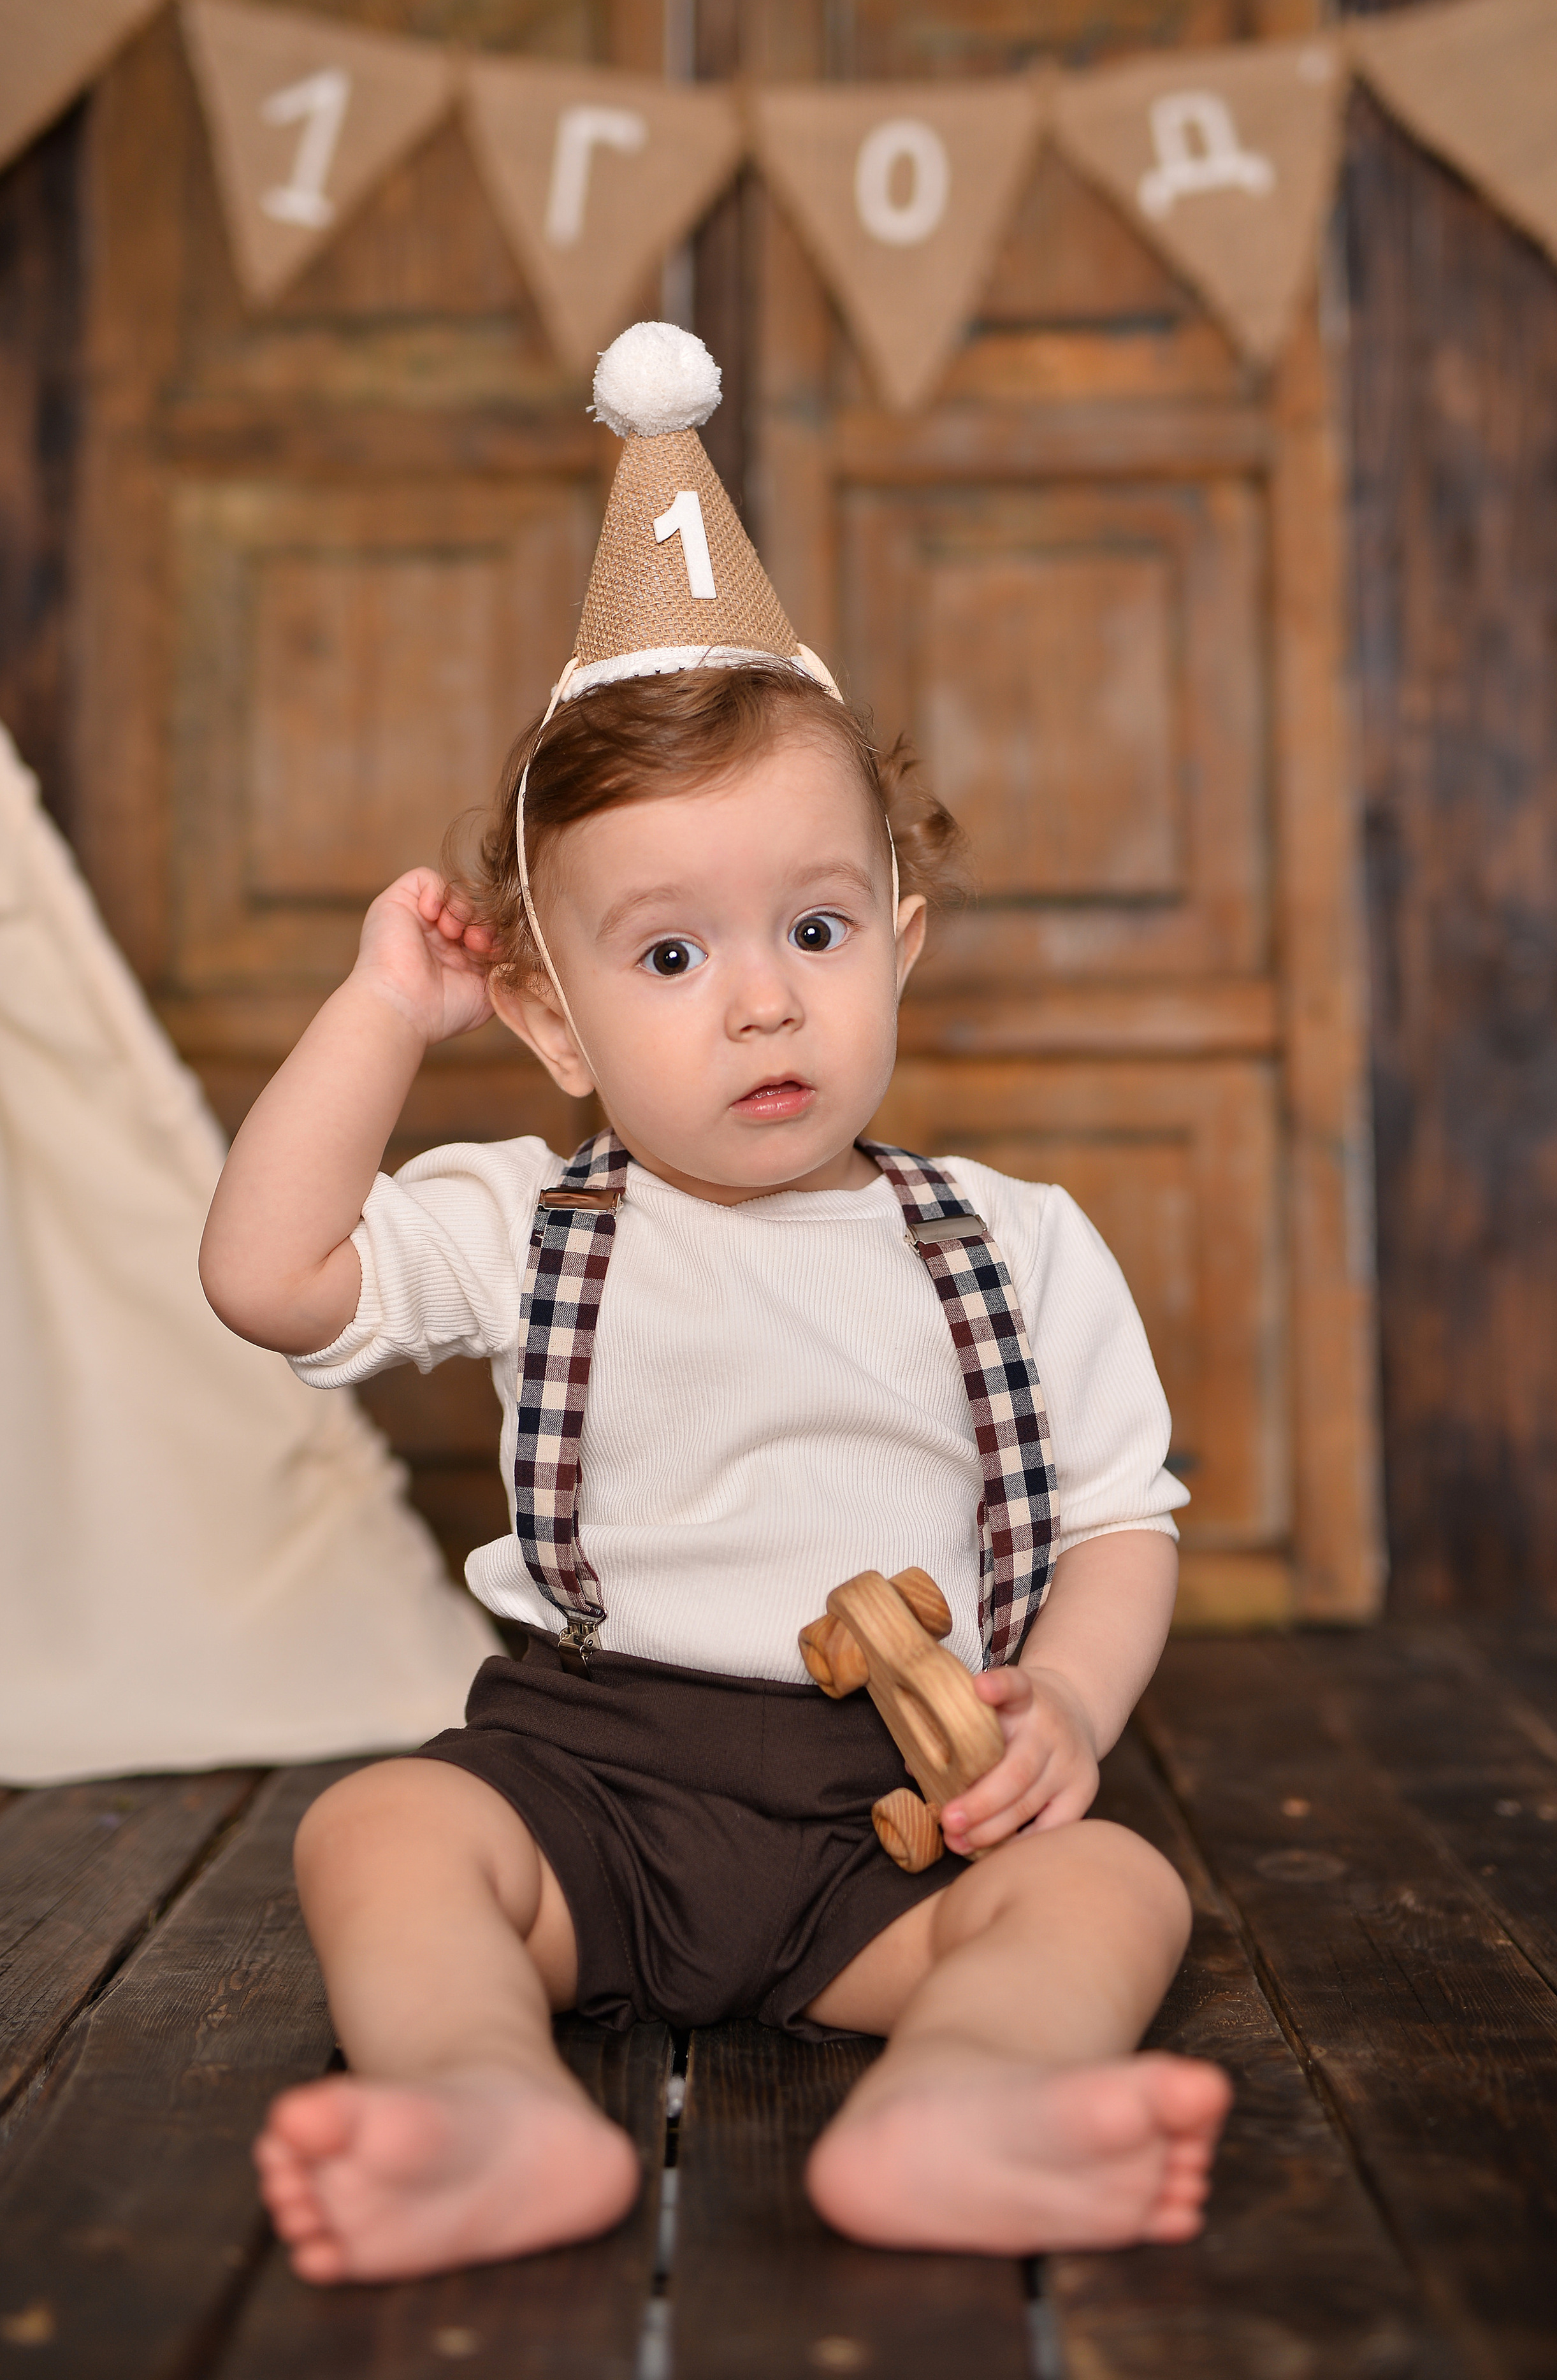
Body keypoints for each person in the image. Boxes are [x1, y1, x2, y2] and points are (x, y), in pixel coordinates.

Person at [199, 325, 1231, 2287]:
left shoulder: (1010, 1241)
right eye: (669, 952)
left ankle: (967, 2100)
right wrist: (376, 1020)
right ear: (550, 1017)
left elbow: (1117, 1517)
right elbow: (267, 1278)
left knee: (1107, 1886)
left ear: (899, 946)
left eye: (817, 929)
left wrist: (1071, 1707)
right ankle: (479, 2096)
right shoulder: (531, 1220)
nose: (763, 998)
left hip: (893, 1831)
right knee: (383, 1835)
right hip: (588, 1783)